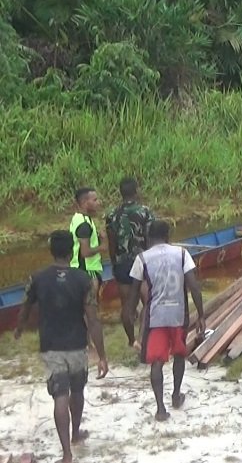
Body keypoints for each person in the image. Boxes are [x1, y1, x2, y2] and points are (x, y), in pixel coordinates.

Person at [15, 231, 108, 463]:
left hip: (51, 345)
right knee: (77, 391)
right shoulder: (84, 279)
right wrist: (102, 355)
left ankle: (66, 454)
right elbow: (93, 319)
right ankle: (75, 434)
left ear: (51, 251)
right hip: (77, 344)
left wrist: (19, 328)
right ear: (72, 251)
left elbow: (25, 306)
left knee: (60, 395)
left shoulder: (37, 277)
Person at [131, 220, 205, 422]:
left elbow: (132, 296)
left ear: (148, 237)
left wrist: (131, 329)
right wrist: (201, 314)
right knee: (179, 354)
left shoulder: (142, 259)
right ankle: (176, 394)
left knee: (157, 361)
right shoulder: (181, 254)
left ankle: (160, 409)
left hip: (156, 317)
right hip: (178, 314)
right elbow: (194, 287)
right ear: (168, 235)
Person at [105, 177, 155, 348]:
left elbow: (111, 243)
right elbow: (150, 239)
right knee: (148, 301)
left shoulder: (111, 215)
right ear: (136, 191)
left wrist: (114, 263)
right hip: (141, 261)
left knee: (127, 305)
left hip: (121, 264)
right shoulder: (145, 212)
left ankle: (131, 340)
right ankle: (142, 338)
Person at [70, 187, 106, 299]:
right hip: (87, 270)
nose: (98, 203)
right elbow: (85, 252)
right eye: (95, 200)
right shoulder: (84, 225)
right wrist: (102, 246)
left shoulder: (79, 218)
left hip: (78, 269)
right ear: (85, 203)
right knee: (90, 307)